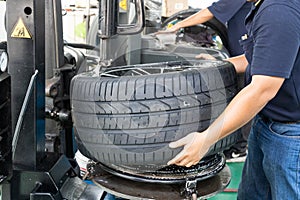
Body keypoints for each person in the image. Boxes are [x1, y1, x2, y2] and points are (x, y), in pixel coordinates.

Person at [167, 0, 300, 198]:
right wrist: (218, 66)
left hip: (290, 135)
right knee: (251, 195)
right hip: (266, 122)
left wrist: (206, 139)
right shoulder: (262, 7)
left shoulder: (277, 12)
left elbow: (261, 90)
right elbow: (260, 58)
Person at [157, 0, 252, 160]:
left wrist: (175, 27)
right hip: (239, 54)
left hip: (246, 57)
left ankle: (239, 148)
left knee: (244, 97)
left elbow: (210, 12)